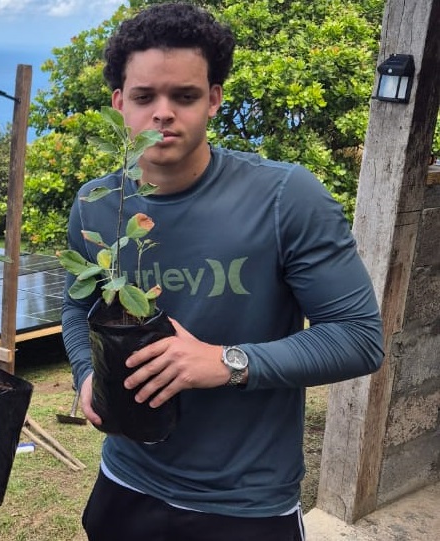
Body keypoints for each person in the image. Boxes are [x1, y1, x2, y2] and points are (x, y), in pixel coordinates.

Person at [61, 3, 384, 540]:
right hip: (125, 481)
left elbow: (359, 338)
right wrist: (86, 374)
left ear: (213, 99)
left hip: (245, 503)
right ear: (120, 103)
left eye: (184, 96)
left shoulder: (285, 197)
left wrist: (225, 362)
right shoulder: (97, 204)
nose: (163, 113)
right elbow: (78, 308)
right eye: (144, 97)